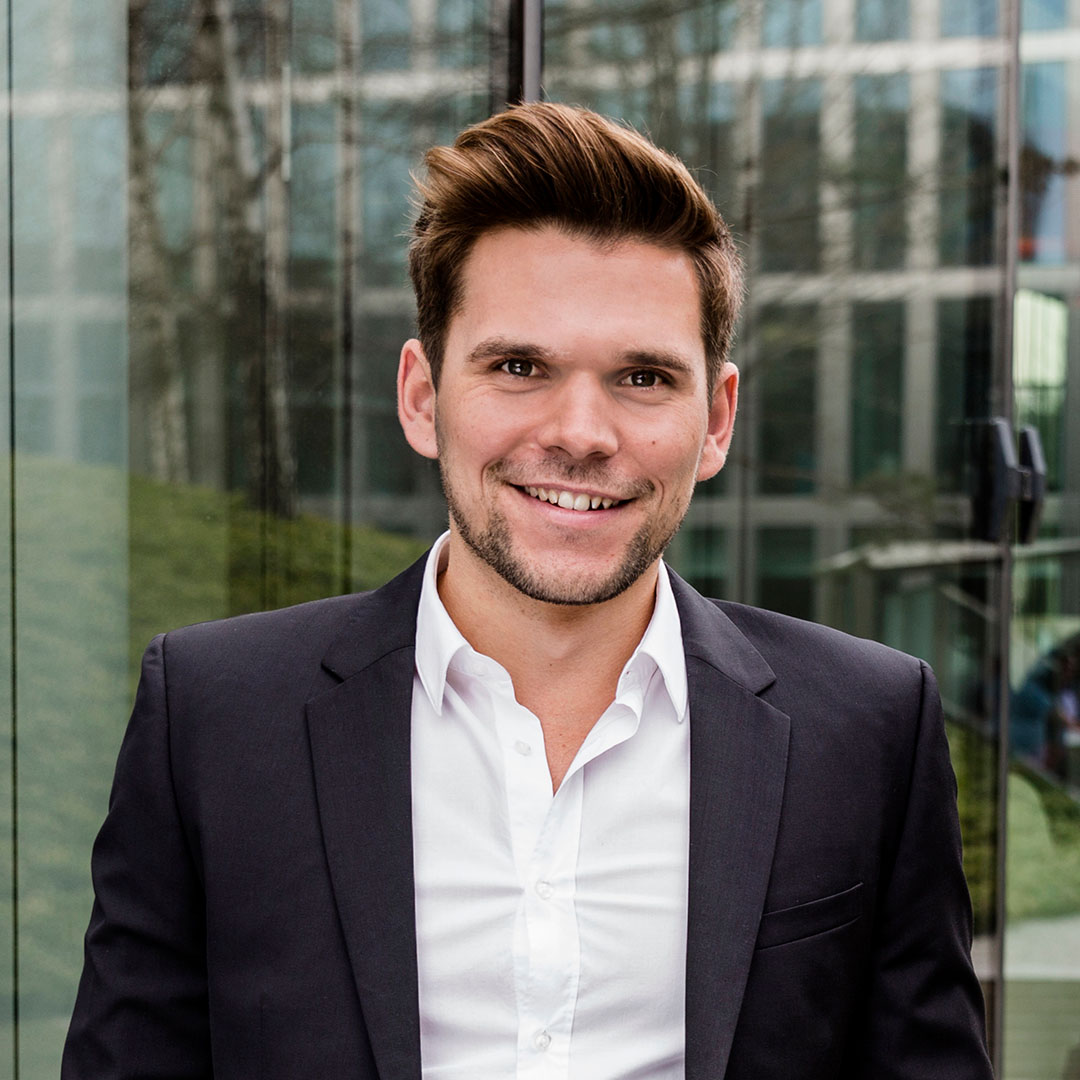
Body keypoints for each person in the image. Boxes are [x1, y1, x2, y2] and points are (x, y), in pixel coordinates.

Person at [63, 102, 994, 1080]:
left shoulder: (870, 729)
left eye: (641, 377)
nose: (582, 432)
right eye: (518, 366)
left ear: (716, 419)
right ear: (423, 397)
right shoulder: (213, 716)